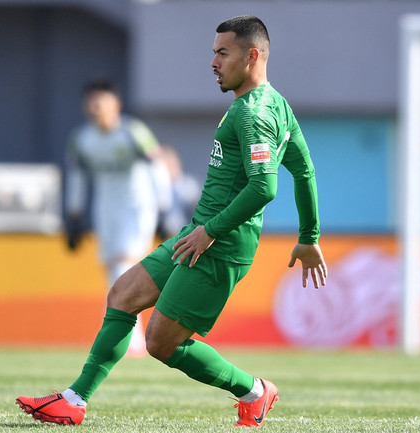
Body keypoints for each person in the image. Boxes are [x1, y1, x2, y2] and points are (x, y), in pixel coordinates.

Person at [17, 15, 328, 428]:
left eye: (222, 53)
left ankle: (255, 391)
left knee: (160, 344)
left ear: (252, 56)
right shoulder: (275, 104)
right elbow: (304, 170)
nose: (213, 62)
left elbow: (264, 187)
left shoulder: (254, 113)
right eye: (213, 52)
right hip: (200, 232)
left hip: (220, 242)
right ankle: (74, 400)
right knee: (123, 294)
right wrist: (308, 236)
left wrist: (211, 232)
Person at [63, 80, 171, 356]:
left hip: (137, 206)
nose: (95, 107)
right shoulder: (82, 138)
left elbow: (157, 165)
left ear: (116, 105)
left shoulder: (132, 132)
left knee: (124, 266)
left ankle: (127, 340)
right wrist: (73, 215)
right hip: (105, 209)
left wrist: (164, 208)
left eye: (102, 101)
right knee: (113, 271)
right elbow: (77, 176)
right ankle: (123, 333)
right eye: (91, 101)